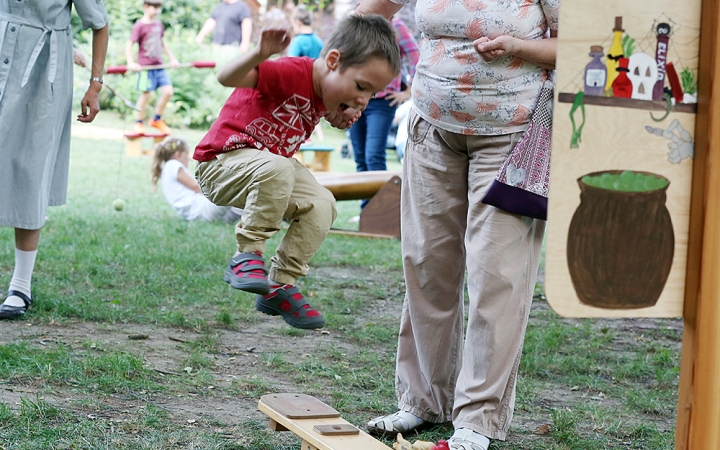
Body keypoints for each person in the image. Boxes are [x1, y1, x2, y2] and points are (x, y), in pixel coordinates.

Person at [357, 0, 560, 448]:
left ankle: (478, 420)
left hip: (513, 133)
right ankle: (422, 401)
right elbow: (366, 16)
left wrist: (519, 46)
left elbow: (588, 48)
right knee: (427, 265)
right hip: (430, 127)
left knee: (496, 276)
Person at [193, 15, 401, 329]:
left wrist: (338, 110)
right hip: (221, 163)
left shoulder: (326, 92)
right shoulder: (292, 71)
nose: (363, 101)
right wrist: (261, 53)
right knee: (277, 166)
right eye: (361, 87)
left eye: (371, 94)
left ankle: (280, 285)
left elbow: (321, 102)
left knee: (322, 204)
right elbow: (226, 77)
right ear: (332, 61)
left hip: (268, 172)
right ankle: (246, 255)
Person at [0, 0, 109, 320]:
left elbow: (100, 23)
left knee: (30, 168)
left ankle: (20, 285)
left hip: (43, 72)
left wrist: (95, 85)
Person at [349, 17, 418, 208]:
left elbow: (416, 57)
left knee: (373, 155)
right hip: (356, 97)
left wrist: (408, 92)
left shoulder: (396, 26)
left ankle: (380, 215)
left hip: (382, 102)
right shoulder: (359, 22)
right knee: (360, 156)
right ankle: (367, 212)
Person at [151, 136, 244, 223]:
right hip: (202, 209)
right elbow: (197, 187)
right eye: (186, 154)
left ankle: (239, 214)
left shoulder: (168, 168)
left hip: (198, 213)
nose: (189, 159)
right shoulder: (173, 165)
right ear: (178, 154)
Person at [126, 0, 178, 135]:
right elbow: (129, 44)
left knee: (168, 92)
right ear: (146, 7)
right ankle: (138, 122)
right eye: (154, 7)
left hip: (160, 67)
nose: (156, 10)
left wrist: (172, 59)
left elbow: (162, 43)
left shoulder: (158, 24)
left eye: (158, 7)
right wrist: (131, 62)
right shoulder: (139, 26)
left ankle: (156, 119)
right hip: (145, 68)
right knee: (146, 95)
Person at [287, 5, 325, 140]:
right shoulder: (318, 41)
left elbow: (289, 66)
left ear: (298, 22)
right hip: (315, 90)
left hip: (299, 90)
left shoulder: (298, 42)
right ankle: (317, 137)